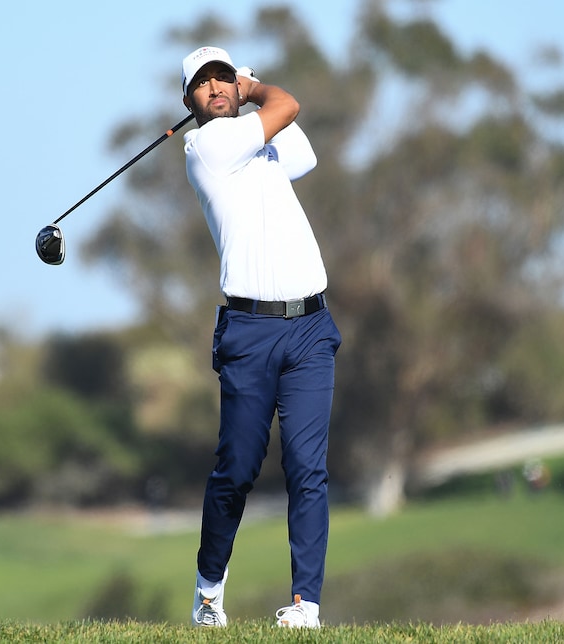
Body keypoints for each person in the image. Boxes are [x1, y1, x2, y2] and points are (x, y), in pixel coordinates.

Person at [180, 45, 341, 629]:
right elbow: (288, 102)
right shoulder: (208, 147)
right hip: (249, 331)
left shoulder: (261, 144)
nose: (217, 88)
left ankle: (306, 605)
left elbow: (302, 152)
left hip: (310, 328)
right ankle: (208, 591)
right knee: (238, 467)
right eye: (204, 84)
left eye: (224, 77)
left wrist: (251, 95)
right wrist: (252, 86)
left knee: (307, 467)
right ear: (190, 103)